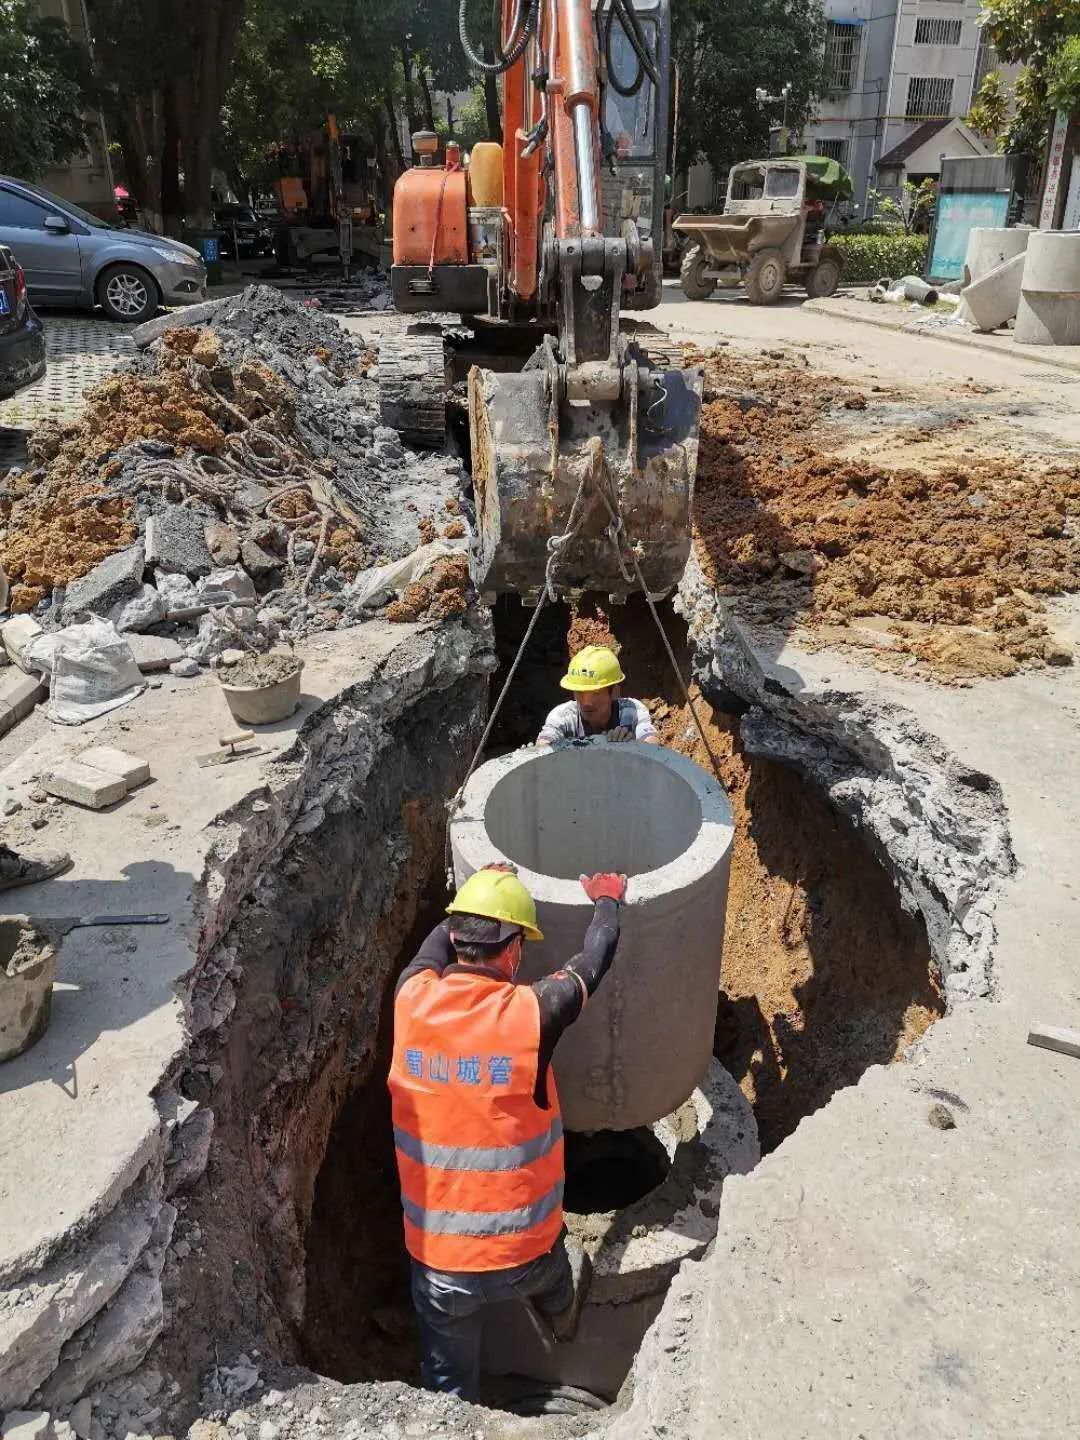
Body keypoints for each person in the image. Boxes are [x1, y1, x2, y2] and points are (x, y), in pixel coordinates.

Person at [388, 863, 627, 1399]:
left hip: (440, 1264)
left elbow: (431, 950)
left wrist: (471, 900)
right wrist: (607, 899)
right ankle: (563, 1322)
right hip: (525, 1256)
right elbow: (595, 958)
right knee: (558, 1276)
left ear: (455, 939)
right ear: (514, 951)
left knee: (447, 1391)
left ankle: (456, 1420)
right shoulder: (532, 1012)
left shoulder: (410, 998)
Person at [536, 644, 660, 746]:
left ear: (615, 692)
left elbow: (652, 744)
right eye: (580, 693)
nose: (586, 703)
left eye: (595, 694)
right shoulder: (563, 716)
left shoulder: (631, 711)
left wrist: (634, 745)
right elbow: (544, 745)